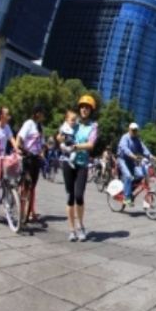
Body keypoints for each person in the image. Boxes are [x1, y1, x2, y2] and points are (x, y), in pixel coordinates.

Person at [58, 95, 99, 241]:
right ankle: (71, 229)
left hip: (82, 164)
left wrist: (75, 146)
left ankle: (81, 226)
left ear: (91, 110)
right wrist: (60, 138)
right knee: (70, 196)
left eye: (87, 107)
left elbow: (91, 145)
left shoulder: (93, 126)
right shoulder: (73, 123)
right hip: (68, 163)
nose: (84, 109)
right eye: (82, 107)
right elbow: (61, 134)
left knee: (79, 195)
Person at [15, 105, 46, 223]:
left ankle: (27, 215)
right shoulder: (29, 123)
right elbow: (20, 137)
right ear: (37, 113)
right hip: (27, 157)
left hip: (36, 159)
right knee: (27, 183)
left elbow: (42, 143)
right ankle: (21, 211)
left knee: (32, 186)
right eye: (42, 113)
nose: (43, 115)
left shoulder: (39, 127)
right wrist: (18, 148)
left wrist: (42, 152)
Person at [117, 122, 152, 205]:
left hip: (132, 160)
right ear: (129, 130)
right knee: (128, 176)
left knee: (140, 175)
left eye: (136, 130)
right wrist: (132, 155)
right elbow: (124, 148)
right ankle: (126, 197)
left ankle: (128, 190)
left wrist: (150, 155)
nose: (134, 132)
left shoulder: (137, 139)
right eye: (133, 130)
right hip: (122, 160)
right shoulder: (124, 138)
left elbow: (143, 148)